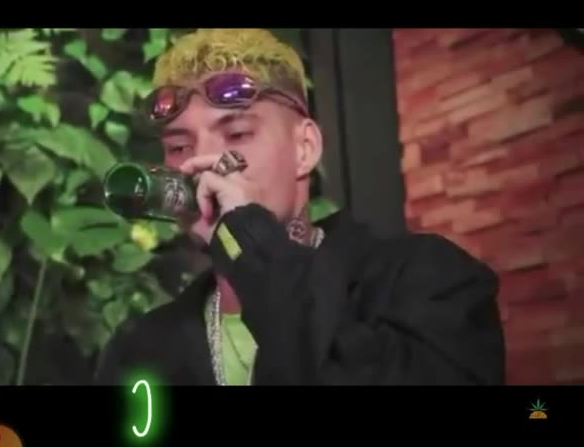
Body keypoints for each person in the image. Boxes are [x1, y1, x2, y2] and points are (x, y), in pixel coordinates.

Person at [94, 29, 506, 385]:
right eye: (179, 147)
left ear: (304, 148)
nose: (202, 164)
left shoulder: (424, 279)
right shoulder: (140, 349)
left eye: (237, 134)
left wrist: (251, 240)